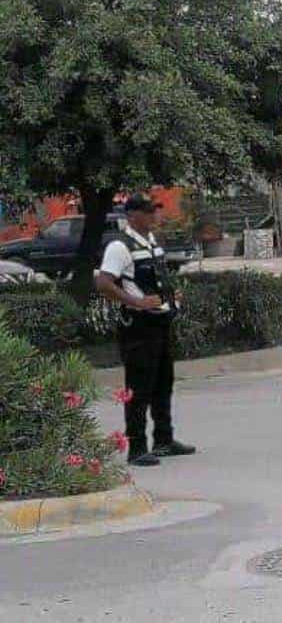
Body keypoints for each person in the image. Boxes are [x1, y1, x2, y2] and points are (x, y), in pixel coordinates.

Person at [93, 195, 196, 467]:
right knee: (139, 388)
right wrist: (136, 302)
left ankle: (164, 440)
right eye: (149, 212)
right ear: (132, 216)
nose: (155, 217)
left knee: (163, 382)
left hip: (160, 322)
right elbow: (104, 283)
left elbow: (155, 280)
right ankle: (136, 447)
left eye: (155, 211)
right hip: (138, 326)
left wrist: (172, 298)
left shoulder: (150, 243)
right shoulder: (120, 246)